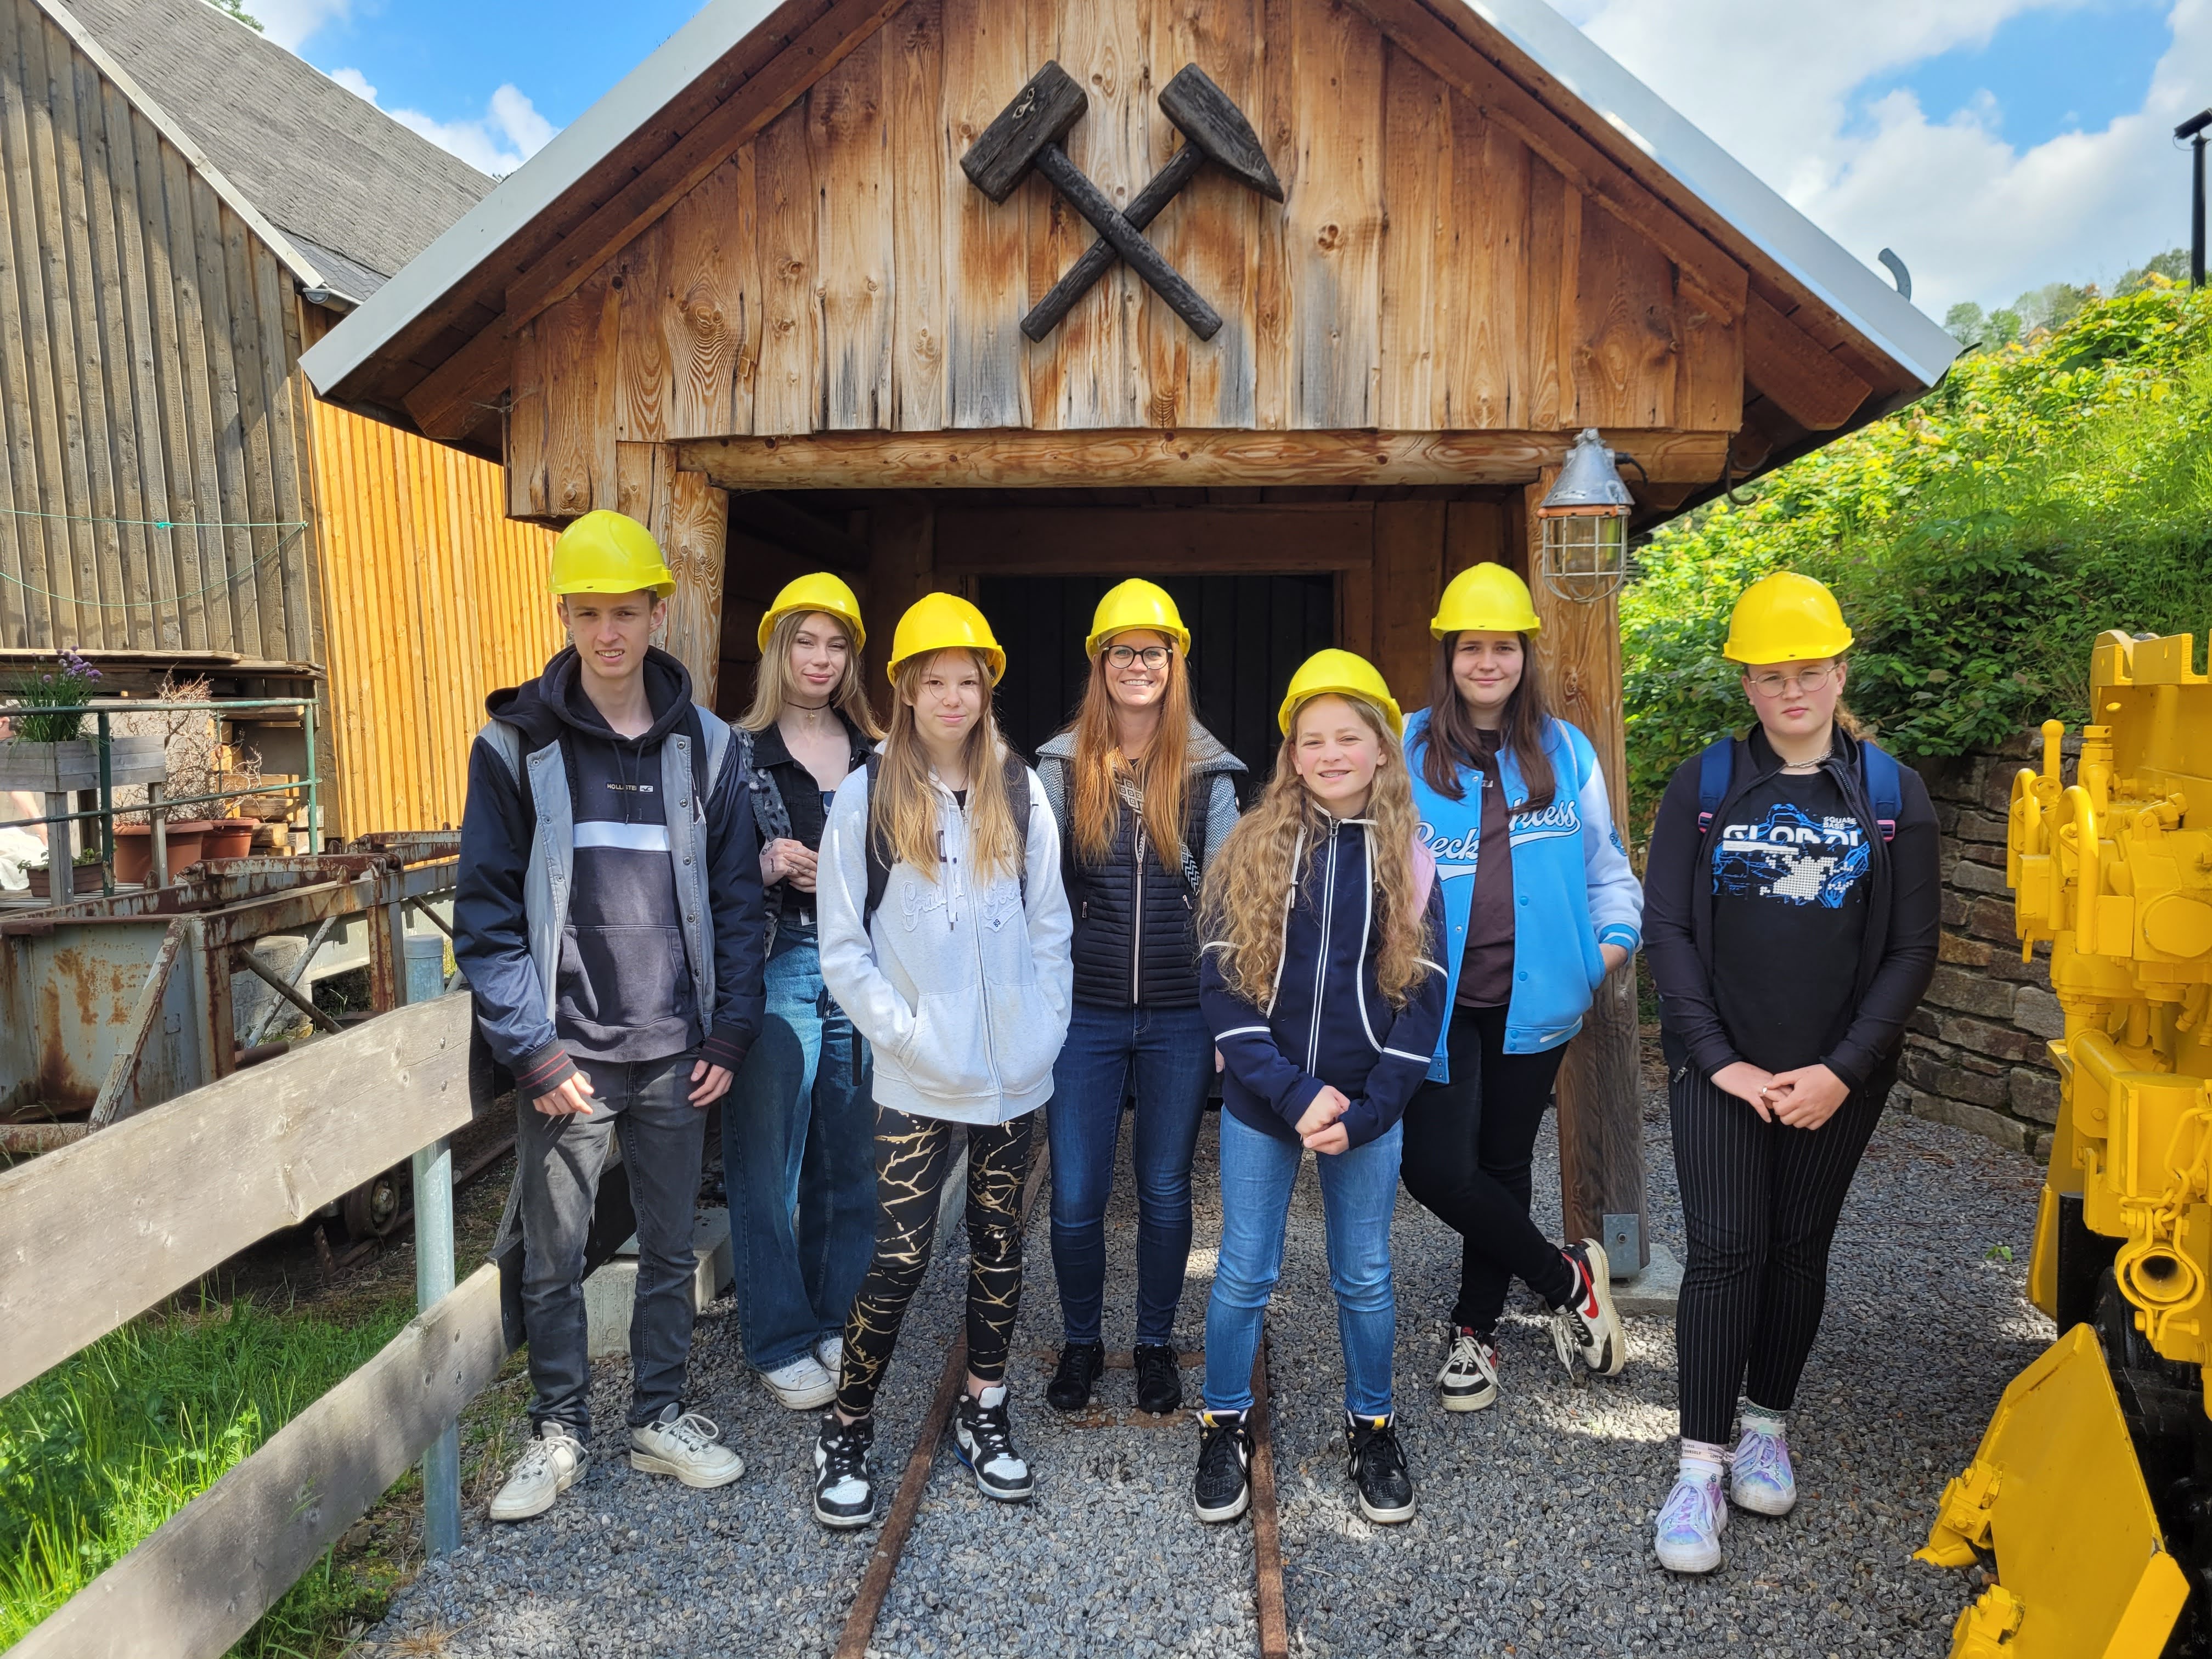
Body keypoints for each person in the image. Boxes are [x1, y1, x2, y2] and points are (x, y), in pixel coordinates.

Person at [455, 510, 765, 1522]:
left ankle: (659, 1414)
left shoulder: (709, 749)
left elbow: (736, 901)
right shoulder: (515, 748)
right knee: (555, 1257)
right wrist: (531, 1051)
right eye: (587, 614)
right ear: (565, 615)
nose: (607, 634)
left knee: (671, 1249)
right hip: (570, 1056)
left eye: (624, 612)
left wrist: (730, 1031)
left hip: (678, 1051)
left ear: (657, 613)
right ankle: (559, 1431)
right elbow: (489, 920)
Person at [1641, 572, 1938, 1573]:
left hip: (1838, 1077)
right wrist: (1716, 1060)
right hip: (1719, 1070)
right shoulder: (1708, 784)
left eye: (1809, 671)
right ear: (1749, 685)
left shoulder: (1892, 794)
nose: (1792, 692)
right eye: (1771, 676)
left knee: (1799, 1248)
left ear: (1840, 671)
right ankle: (1698, 1471)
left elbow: (1912, 950)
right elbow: (1669, 929)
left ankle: (1768, 1421)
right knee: (1726, 1252)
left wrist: (1843, 1070)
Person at [809, 594, 1073, 1528]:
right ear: (907, 689)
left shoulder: (1020, 788)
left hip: (1014, 1074)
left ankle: (984, 1408)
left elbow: (1052, 925)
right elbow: (842, 947)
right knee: (903, 1253)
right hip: (919, 1076)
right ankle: (847, 1424)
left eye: (969, 680)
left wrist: (1044, 1026)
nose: (953, 696)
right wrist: (909, 1035)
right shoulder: (866, 795)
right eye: (935, 680)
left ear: (986, 687)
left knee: (1001, 1248)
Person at [1192, 650, 1448, 1528]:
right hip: (1269, 1101)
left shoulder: (1411, 857)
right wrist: (1294, 1094)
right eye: (1314, 740)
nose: (1332, 753)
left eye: (1350, 737)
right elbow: (1221, 984)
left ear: (1382, 748)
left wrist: (1371, 1109)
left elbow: (1425, 1001)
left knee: (1366, 1275)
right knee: (1243, 1273)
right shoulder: (1253, 846)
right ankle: (1222, 1420)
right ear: (1292, 754)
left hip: (1368, 1109)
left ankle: (1371, 1423)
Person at [1397, 563, 1644, 1413]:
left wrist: (1601, 955)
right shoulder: (1405, 742)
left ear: (1525, 655)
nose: (1488, 662)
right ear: (1449, 655)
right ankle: (1564, 1277)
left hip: (1536, 999)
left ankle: (1476, 1331)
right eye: (1472, 647)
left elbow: (1607, 870)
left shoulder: (1566, 749)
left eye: (1504, 647)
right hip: (1434, 1003)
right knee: (1434, 1169)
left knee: (1503, 1165)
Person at [1033, 580, 1245, 1417]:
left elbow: (1228, 899)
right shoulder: (1057, 766)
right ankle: (1082, 1341)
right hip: (1080, 1014)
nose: (1137, 665)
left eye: (1152, 652)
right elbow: (1028, 888)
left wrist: (1232, 1010)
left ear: (1173, 663)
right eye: (1122, 651)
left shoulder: (1208, 772)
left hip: (1181, 1017)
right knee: (1078, 1192)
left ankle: (1153, 1342)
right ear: (1100, 664)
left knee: (1163, 1188)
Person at [725, 575, 884, 1410]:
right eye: (804, 642)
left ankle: (834, 1320)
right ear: (777, 650)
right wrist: (766, 866)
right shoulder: (733, 751)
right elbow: (706, 878)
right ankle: (780, 1337)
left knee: (850, 1158)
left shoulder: (877, 753)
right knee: (771, 1163)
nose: (819, 660)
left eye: (835, 645)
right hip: (777, 962)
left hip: (859, 966)